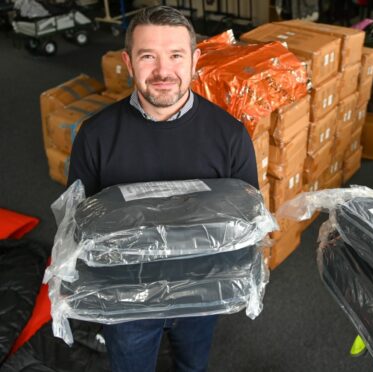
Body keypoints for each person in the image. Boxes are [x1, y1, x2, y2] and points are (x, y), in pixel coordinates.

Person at [68, 6, 258, 372]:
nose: (162, 72)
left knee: (192, 365)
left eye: (175, 56)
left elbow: (246, 223)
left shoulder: (230, 136)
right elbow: (79, 227)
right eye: (147, 57)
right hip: (126, 301)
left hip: (202, 291)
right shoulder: (95, 136)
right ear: (128, 61)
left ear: (194, 60)